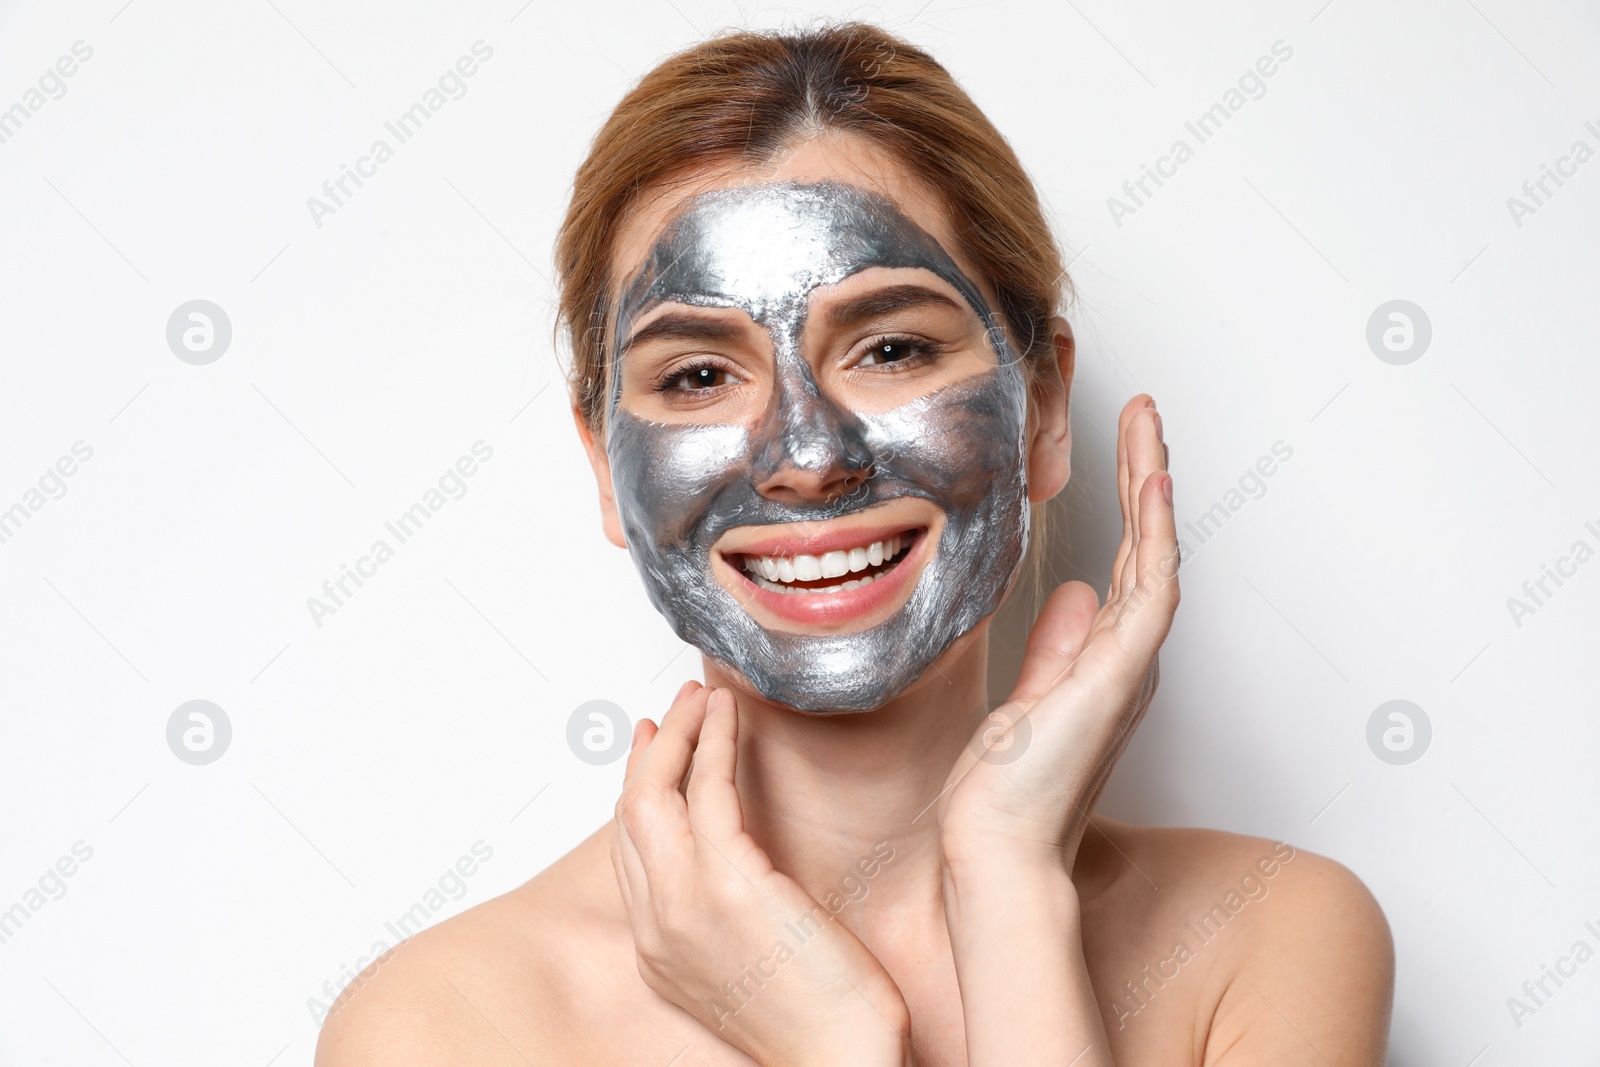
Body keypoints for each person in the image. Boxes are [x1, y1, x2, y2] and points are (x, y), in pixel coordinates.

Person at [316, 20, 1393, 1065]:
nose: (807, 453)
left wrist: (1007, 888)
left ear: (1043, 407)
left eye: (890, 347)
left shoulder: (1267, 939)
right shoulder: (445, 1027)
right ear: (605, 461)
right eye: (697, 373)